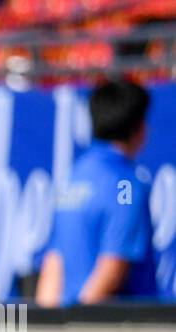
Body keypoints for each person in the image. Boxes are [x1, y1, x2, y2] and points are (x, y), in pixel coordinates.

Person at [36, 79, 157, 307]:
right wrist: (82, 326)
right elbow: (113, 265)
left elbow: (53, 263)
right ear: (138, 128)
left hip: (75, 329)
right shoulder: (126, 185)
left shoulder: (74, 176)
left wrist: (51, 329)